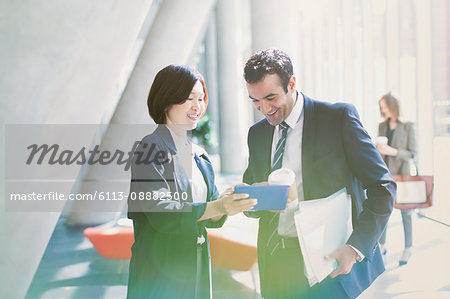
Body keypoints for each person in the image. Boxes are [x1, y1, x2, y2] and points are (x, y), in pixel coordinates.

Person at [242, 49, 396, 299]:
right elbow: (251, 196)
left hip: (329, 263)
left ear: (292, 83)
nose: (264, 109)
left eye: (271, 98)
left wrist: (356, 247)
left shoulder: (337, 119)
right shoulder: (257, 134)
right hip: (276, 264)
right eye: (255, 101)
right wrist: (255, 199)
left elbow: (383, 186)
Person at [127, 65, 257, 299]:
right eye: (188, 98)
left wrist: (227, 201)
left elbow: (210, 215)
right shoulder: (149, 148)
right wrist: (217, 206)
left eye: (200, 98)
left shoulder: (199, 155)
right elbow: (161, 212)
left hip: (195, 268)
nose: (197, 106)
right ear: (167, 99)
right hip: (160, 273)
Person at [377, 92, 416, 266]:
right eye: (381, 106)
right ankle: (382, 245)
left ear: (393, 106)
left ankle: (408, 248)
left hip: (403, 175)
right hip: (386, 175)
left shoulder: (407, 126)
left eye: (385, 106)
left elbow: (412, 153)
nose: (383, 109)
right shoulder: (382, 126)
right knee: (384, 211)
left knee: (406, 213)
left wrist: (392, 151)